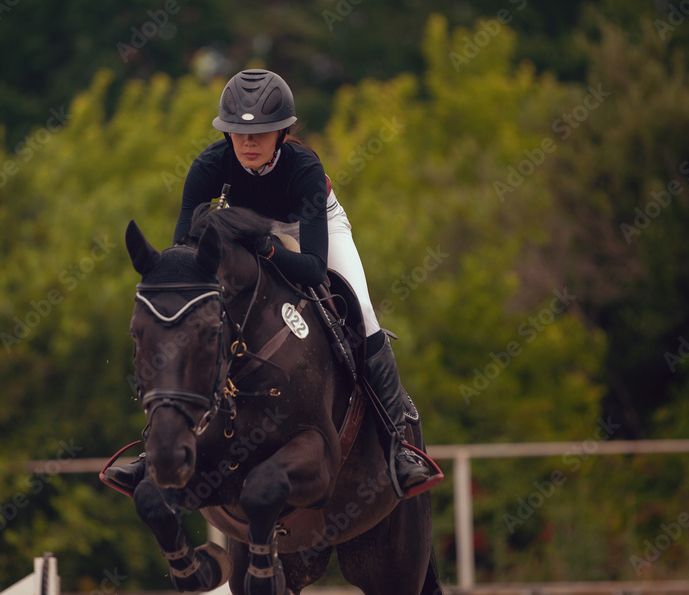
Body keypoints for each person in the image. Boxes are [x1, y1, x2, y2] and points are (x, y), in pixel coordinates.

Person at [106, 69, 439, 498]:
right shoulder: (208, 165)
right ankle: (156, 450)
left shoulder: (304, 168)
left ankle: (398, 445)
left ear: (282, 133)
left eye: (260, 134)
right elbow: (185, 258)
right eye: (237, 134)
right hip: (248, 236)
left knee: (364, 311)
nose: (248, 143)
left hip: (308, 234)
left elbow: (314, 269)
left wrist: (266, 248)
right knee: (187, 322)